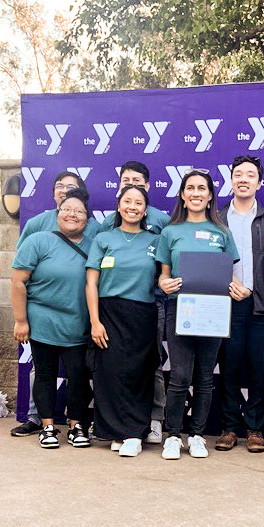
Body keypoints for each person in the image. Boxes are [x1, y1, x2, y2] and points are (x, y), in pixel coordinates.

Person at [156, 169, 240, 460]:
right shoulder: (170, 231)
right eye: (190, 187)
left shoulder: (222, 233)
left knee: (204, 376)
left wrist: (238, 288)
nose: (195, 193)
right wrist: (165, 284)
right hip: (179, 307)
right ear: (182, 194)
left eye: (201, 188)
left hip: (214, 310)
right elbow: (162, 277)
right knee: (179, 375)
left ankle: (197, 436)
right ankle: (173, 435)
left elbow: (232, 275)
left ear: (210, 195)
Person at [10, 171, 100, 438]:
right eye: (66, 210)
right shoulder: (38, 237)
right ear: (57, 211)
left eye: (79, 211)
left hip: (78, 323)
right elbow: (17, 281)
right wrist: (21, 320)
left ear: (87, 218)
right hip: (43, 322)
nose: (72, 214)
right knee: (45, 375)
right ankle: (47, 426)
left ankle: (76, 426)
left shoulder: (96, 243)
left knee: (79, 377)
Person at [99, 160, 170, 446]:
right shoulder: (107, 225)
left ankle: (154, 419)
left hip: (153, 304)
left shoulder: (162, 220)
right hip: (115, 308)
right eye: (126, 180)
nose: (133, 185)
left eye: (138, 181)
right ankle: (119, 424)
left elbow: (169, 258)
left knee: (151, 363)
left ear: (148, 186)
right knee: (116, 365)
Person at [85, 185, 160, 457]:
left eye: (138, 202)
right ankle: (114, 431)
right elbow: (91, 283)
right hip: (108, 313)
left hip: (143, 313)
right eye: (127, 201)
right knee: (110, 373)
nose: (132, 206)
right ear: (119, 206)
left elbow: (163, 277)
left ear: (145, 209)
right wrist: (95, 321)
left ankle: (134, 433)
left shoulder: (155, 240)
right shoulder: (104, 239)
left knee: (139, 374)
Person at [215, 156, 264, 453]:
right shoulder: (216, 218)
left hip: (262, 303)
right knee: (229, 367)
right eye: (237, 173)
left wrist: (251, 289)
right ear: (231, 180)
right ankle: (229, 428)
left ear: (259, 182)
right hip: (225, 303)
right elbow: (209, 260)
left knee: (258, 367)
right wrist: (227, 284)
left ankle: (255, 428)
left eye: (250, 175)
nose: (243, 179)